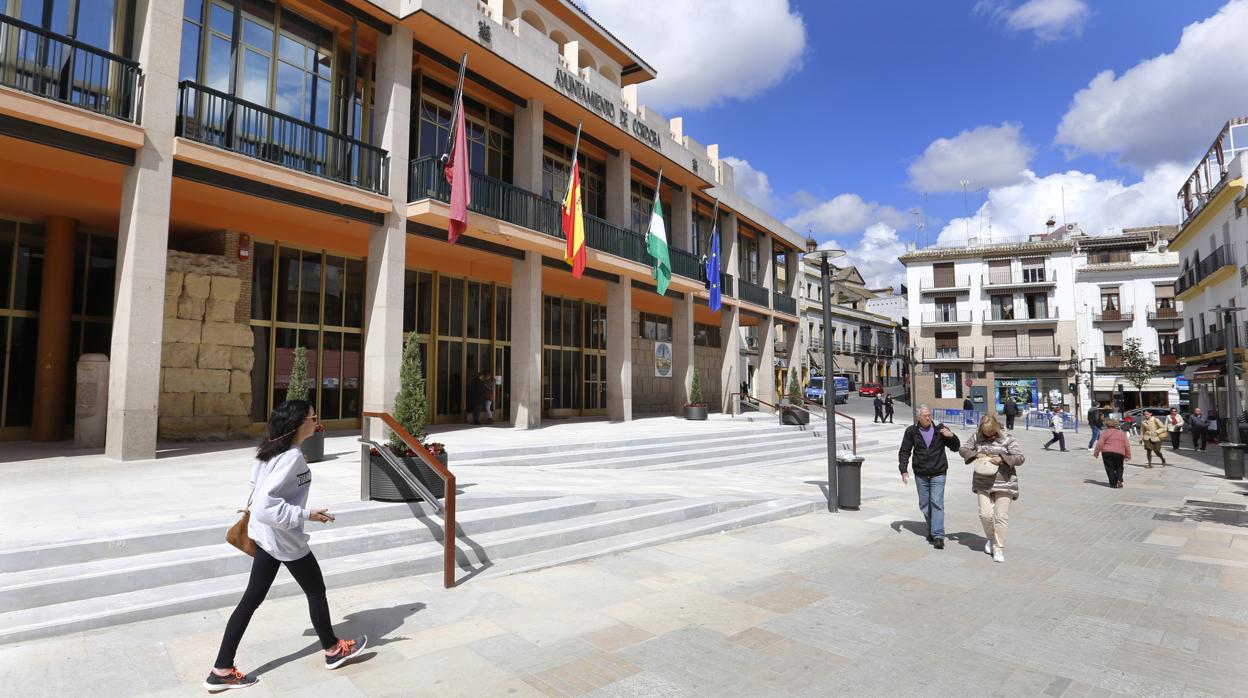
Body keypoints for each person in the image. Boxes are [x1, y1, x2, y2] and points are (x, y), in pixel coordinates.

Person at [206, 400, 366, 692]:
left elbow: (256, 483)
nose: (316, 422)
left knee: (251, 600)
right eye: (312, 418)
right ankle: (332, 649)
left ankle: (221, 669)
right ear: (296, 425)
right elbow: (267, 505)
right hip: (283, 539)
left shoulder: (271, 448)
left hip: (268, 537)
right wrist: (306, 514)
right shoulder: (290, 456)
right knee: (316, 591)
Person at [959, 414, 1024, 563]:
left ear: (996, 427)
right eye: (985, 433)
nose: (988, 435)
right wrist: (976, 454)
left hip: (1005, 482)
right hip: (983, 481)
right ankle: (990, 538)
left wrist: (1002, 458)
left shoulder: (1007, 437)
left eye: (991, 432)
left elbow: (1020, 457)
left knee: (1000, 516)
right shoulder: (977, 436)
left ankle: (998, 547)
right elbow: (963, 449)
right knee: (985, 514)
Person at [898, 406, 961, 549]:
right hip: (921, 473)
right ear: (918, 417)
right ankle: (933, 529)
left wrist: (952, 436)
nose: (928, 418)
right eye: (925, 415)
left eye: (929, 415)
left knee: (937, 502)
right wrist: (903, 469)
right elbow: (904, 451)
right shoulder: (911, 431)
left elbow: (955, 447)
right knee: (925, 504)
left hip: (938, 472)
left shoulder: (940, 429)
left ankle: (938, 535)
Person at [1094, 416, 1131, 488]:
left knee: (1109, 467)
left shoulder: (1104, 433)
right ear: (1115, 425)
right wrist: (1128, 455)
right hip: (1119, 453)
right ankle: (1119, 480)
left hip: (1107, 452)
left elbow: (1100, 443)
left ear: (1107, 425)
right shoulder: (1122, 433)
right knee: (1119, 467)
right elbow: (1127, 445)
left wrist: (1096, 452)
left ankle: (1113, 484)